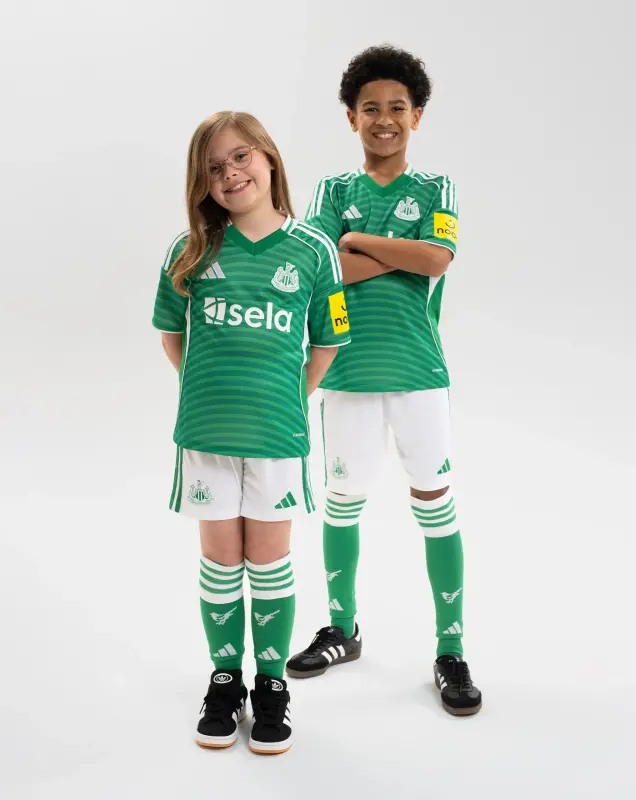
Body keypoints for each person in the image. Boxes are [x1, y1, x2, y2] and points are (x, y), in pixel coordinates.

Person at [285, 45, 482, 716]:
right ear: (352, 118)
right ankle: (343, 629)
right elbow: (322, 269)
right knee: (343, 500)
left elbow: (438, 258)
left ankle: (450, 649)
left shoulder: (435, 189)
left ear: (416, 116)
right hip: (345, 371)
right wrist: (387, 254)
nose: (384, 119)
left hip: (418, 373)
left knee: (435, 502)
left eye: (398, 107)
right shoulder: (334, 191)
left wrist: (356, 243)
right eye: (370, 108)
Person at [152, 111, 351, 754]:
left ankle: (270, 684)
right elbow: (171, 335)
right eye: (214, 166)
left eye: (241, 156)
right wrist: (208, 388)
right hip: (207, 433)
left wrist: (286, 397)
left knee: (267, 560)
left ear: (269, 158)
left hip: (277, 435)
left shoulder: (313, 249)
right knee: (219, 559)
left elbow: (327, 343)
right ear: (202, 182)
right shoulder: (190, 250)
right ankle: (225, 680)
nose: (231, 173)